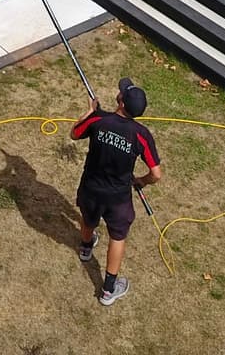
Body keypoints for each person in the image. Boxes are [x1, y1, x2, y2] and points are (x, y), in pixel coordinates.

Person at [72, 77, 162, 306]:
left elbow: (74, 133)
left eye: (122, 93)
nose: (119, 93)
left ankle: (85, 248)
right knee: (117, 236)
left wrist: (90, 112)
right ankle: (108, 290)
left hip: (91, 187)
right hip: (118, 197)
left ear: (121, 103)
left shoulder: (99, 120)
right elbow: (156, 174)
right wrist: (141, 181)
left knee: (88, 217)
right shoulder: (141, 134)